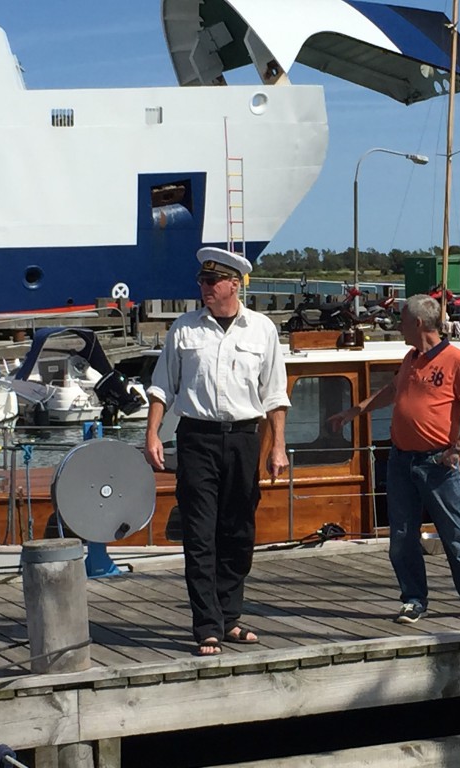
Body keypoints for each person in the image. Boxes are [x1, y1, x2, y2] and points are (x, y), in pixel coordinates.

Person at [145, 246, 290, 657]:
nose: (204, 288)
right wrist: (152, 434)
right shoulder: (184, 330)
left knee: (239, 532)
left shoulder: (262, 330)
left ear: (233, 284)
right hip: (197, 439)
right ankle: (207, 625)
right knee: (200, 533)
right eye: (201, 282)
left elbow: (275, 396)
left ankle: (230, 617)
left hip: (245, 438)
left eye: (211, 282)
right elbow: (161, 387)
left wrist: (277, 446)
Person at [327, 293, 460, 623]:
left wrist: (459, 446)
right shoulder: (411, 357)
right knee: (402, 535)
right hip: (400, 462)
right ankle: (413, 598)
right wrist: (355, 411)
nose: (398, 328)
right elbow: (394, 391)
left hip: (437, 463)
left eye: (403, 322)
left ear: (419, 323)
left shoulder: (457, 360)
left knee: (454, 533)